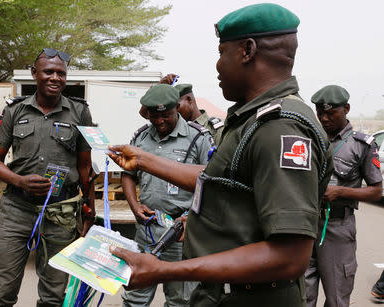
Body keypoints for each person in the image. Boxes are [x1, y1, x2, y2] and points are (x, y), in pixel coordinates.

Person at [107, 3, 333, 307]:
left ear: (247, 50)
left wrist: (166, 271)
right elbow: (216, 179)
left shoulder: (279, 128)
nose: (216, 65)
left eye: (221, 52)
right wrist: (143, 159)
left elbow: (289, 256)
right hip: (226, 293)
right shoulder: (252, 120)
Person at [0, 48, 95, 307]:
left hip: (61, 213)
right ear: (34, 73)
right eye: (48, 72)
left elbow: (85, 167)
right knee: (0, 292)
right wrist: (19, 181)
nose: (55, 78)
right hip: (16, 210)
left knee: (54, 295)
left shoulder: (80, 112)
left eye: (61, 73)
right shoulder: (15, 110)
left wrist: (89, 210)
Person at [122, 84, 213, 307]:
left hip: (180, 235)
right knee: (135, 297)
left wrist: (192, 219)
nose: (159, 121)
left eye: (166, 116)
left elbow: (211, 185)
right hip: (147, 231)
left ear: (177, 109)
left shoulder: (198, 137)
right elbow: (128, 175)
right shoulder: (141, 137)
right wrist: (135, 206)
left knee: (180, 300)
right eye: (154, 116)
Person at [305, 85, 382, 307]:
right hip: (307, 225)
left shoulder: (361, 145)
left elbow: (377, 190)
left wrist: (340, 192)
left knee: (337, 297)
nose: (324, 118)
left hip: (338, 228)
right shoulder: (311, 139)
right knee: (302, 296)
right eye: (320, 113)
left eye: (331, 113)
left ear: (346, 109)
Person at [160, 74, 224, 138]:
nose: (174, 112)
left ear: (189, 100)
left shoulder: (214, 129)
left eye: (177, 106)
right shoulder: (173, 128)